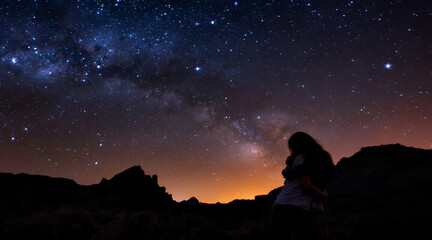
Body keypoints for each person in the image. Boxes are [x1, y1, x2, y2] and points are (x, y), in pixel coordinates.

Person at [272, 132, 335, 240]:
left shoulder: (303, 158)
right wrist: (323, 195)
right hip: (296, 207)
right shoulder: (316, 158)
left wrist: (286, 172)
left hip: (286, 206)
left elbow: (306, 185)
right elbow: (307, 185)